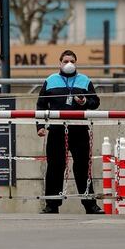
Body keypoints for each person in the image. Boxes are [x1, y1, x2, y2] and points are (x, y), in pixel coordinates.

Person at [37, 50, 104, 214]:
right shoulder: (50, 81)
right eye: (66, 61)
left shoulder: (84, 80)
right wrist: (39, 126)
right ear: (60, 63)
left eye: (72, 61)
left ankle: (90, 204)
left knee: (82, 167)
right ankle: (52, 205)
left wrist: (85, 101)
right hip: (57, 129)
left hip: (79, 129)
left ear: (76, 63)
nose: (69, 64)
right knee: (55, 167)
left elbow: (95, 102)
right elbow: (41, 105)